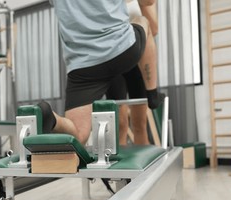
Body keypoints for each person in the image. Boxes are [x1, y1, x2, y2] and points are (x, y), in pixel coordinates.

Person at [41, 0, 163, 146]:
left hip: (84, 65)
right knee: (121, 125)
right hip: (124, 49)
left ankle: (54, 119)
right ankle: (153, 93)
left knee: (81, 133)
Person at [107, 0, 160, 146]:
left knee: (139, 125)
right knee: (121, 125)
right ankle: (121, 166)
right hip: (114, 58)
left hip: (138, 60)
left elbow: (154, 29)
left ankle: (145, 166)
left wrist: (142, 4)